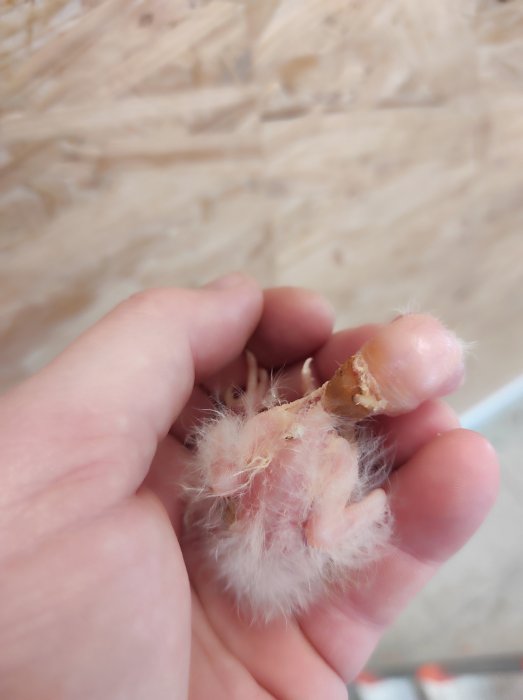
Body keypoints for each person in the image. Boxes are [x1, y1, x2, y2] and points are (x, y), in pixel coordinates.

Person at [0, 274, 498, 699]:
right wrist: (377, 503)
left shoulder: (286, 424)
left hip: (246, 526)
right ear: (403, 403)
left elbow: (228, 480)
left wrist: (249, 427)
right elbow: (323, 533)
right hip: (257, 541)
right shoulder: (336, 458)